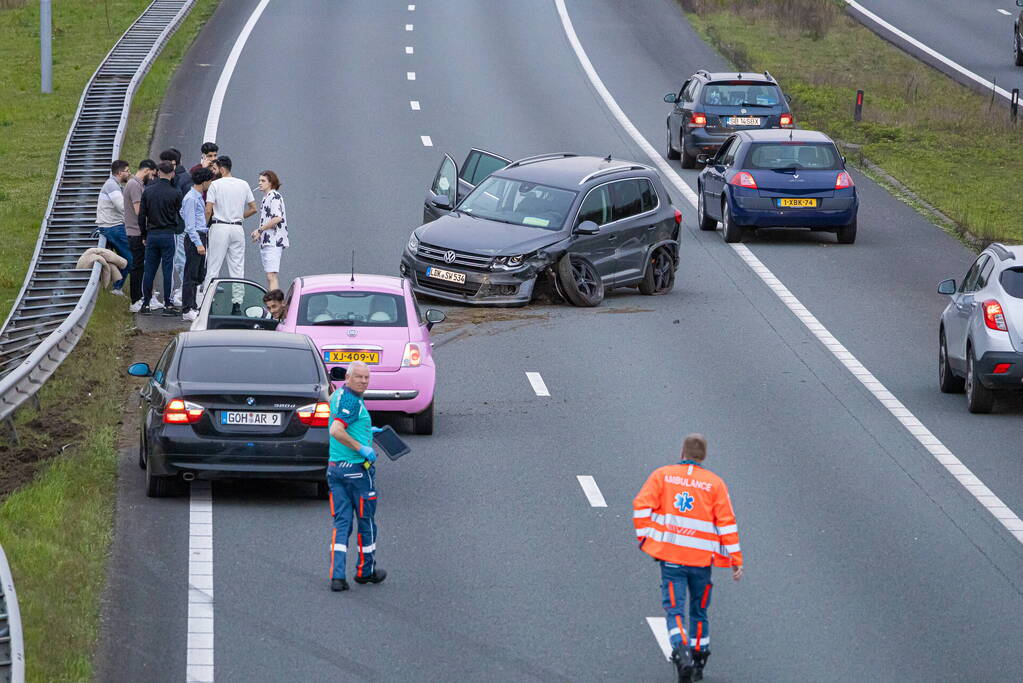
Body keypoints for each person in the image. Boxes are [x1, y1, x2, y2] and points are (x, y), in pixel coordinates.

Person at [632, 434, 743, 683]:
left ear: (682, 453)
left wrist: (647, 538)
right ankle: (699, 658)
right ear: (704, 456)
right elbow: (727, 523)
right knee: (699, 610)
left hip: (671, 559)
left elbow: (641, 506)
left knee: (675, 609)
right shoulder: (715, 484)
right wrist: (735, 559)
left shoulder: (663, 476)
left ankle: (681, 653)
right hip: (701, 563)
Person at [326, 361, 387, 592]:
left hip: (335, 469)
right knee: (366, 522)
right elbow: (336, 429)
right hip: (356, 472)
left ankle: (337, 576)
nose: (363, 381)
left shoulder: (338, 395)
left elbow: (342, 421)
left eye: (366, 377)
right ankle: (366, 571)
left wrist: (366, 432)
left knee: (341, 523)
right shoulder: (351, 400)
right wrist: (361, 448)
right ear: (348, 377)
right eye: (359, 377)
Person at [203, 155, 257, 315]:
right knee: (237, 267)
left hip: (219, 226)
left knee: (213, 267)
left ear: (221, 169)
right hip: (237, 228)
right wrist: (240, 216)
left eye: (215, 168)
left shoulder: (215, 185)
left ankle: (208, 303)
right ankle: (237, 304)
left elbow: (208, 209)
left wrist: (204, 225)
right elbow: (253, 208)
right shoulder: (243, 184)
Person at [138, 161, 183, 316]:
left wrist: (144, 234)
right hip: (168, 234)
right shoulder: (175, 192)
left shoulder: (148, 191)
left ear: (158, 172)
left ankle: (146, 303)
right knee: (167, 269)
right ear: (172, 173)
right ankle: (167, 304)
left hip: (152, 233)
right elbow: (179, 213)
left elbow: (141, 216)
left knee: (149, 269)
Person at [181, 167, 215, 321]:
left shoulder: (197, 196)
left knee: (198, 274)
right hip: (195, 238)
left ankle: (193, 305)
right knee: (191, 274)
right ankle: (187, 308)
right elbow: (189, 225)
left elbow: (182, 213)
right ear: (204, 181)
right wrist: (198, 243)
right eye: (210, 181)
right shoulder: (191, 198)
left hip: (201, 236)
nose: (210, 184)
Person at [124, 159, 159, 311]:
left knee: (142, 266)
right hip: (136, 232)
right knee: (137, 267)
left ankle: (144, 297)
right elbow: (139, 211)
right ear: (146, 170)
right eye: (152, 175)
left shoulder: (137, 184)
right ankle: (135, 300)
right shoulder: (134, 185)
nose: (152, 178)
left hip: (138, 231)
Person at [95, 160, 132, 295]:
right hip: (113, 227)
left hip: (113, 226)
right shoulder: (112, 186)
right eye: (127, 171)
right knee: (130, 258)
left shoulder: (114, 185)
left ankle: (117, 286)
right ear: (120, 172)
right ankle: (117, 287)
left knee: (126, 258)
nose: (129, 173)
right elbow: (122, 207)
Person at [161, 148, 192, 308]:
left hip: (178, 225)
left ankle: (183, 292)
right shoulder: (187, 177)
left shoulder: (178, 180)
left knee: (179, 259)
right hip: (182, 224)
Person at [251, 170, 288, 290]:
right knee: (270, 275)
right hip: (268, 241)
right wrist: (260, 232)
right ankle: (273, 299)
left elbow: (277, 218)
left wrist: (260, 230)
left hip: (274, 240)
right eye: (259, 180)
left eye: (263, 181)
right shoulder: (266, 197)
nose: (259, 183)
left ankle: (274, 301)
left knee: (271, 275)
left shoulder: (274, 196)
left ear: (271, 183)